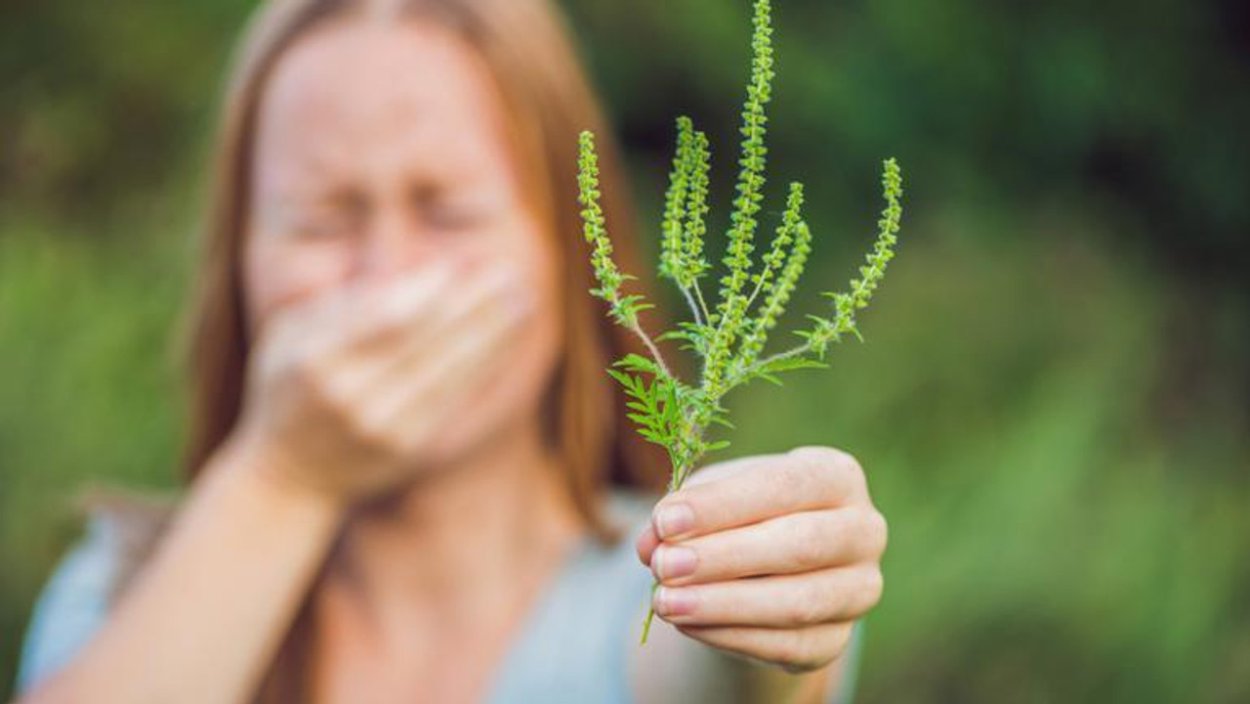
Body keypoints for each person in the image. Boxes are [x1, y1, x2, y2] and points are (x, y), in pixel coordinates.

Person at [14, 0, 888, 702]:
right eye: (321, 219)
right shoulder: (123, 593)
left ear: (571, 253)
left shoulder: (634, 588)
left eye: (450, 212)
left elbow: (715, 677)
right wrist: (285, 477)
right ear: (238, 259)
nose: (387, 279)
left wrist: (760, 620)